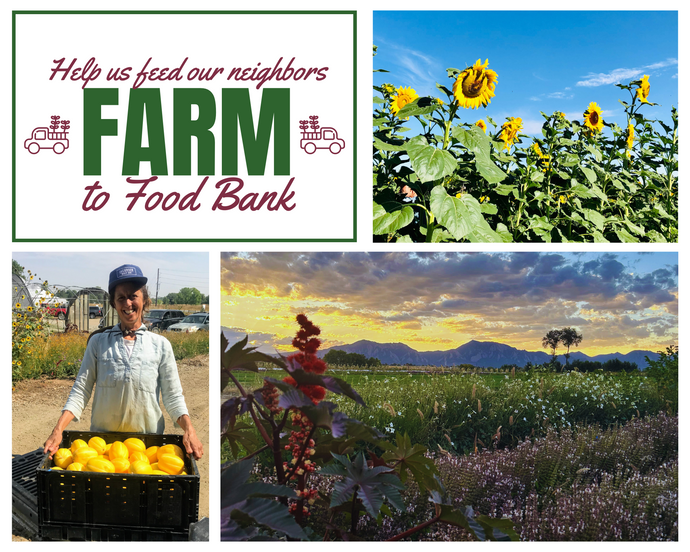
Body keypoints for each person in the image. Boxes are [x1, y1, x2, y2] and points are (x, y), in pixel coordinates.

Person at [43, 264, 203, 460]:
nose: (127, 303)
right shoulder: (98, 342)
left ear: (145, 300)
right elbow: (81, 390)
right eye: (121, 298)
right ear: (113, 303)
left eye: (133, 296)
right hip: (103, 448)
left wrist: (189, 430)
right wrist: (58, 429)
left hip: (147, 449)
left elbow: (173, 396)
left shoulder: (160, 345)